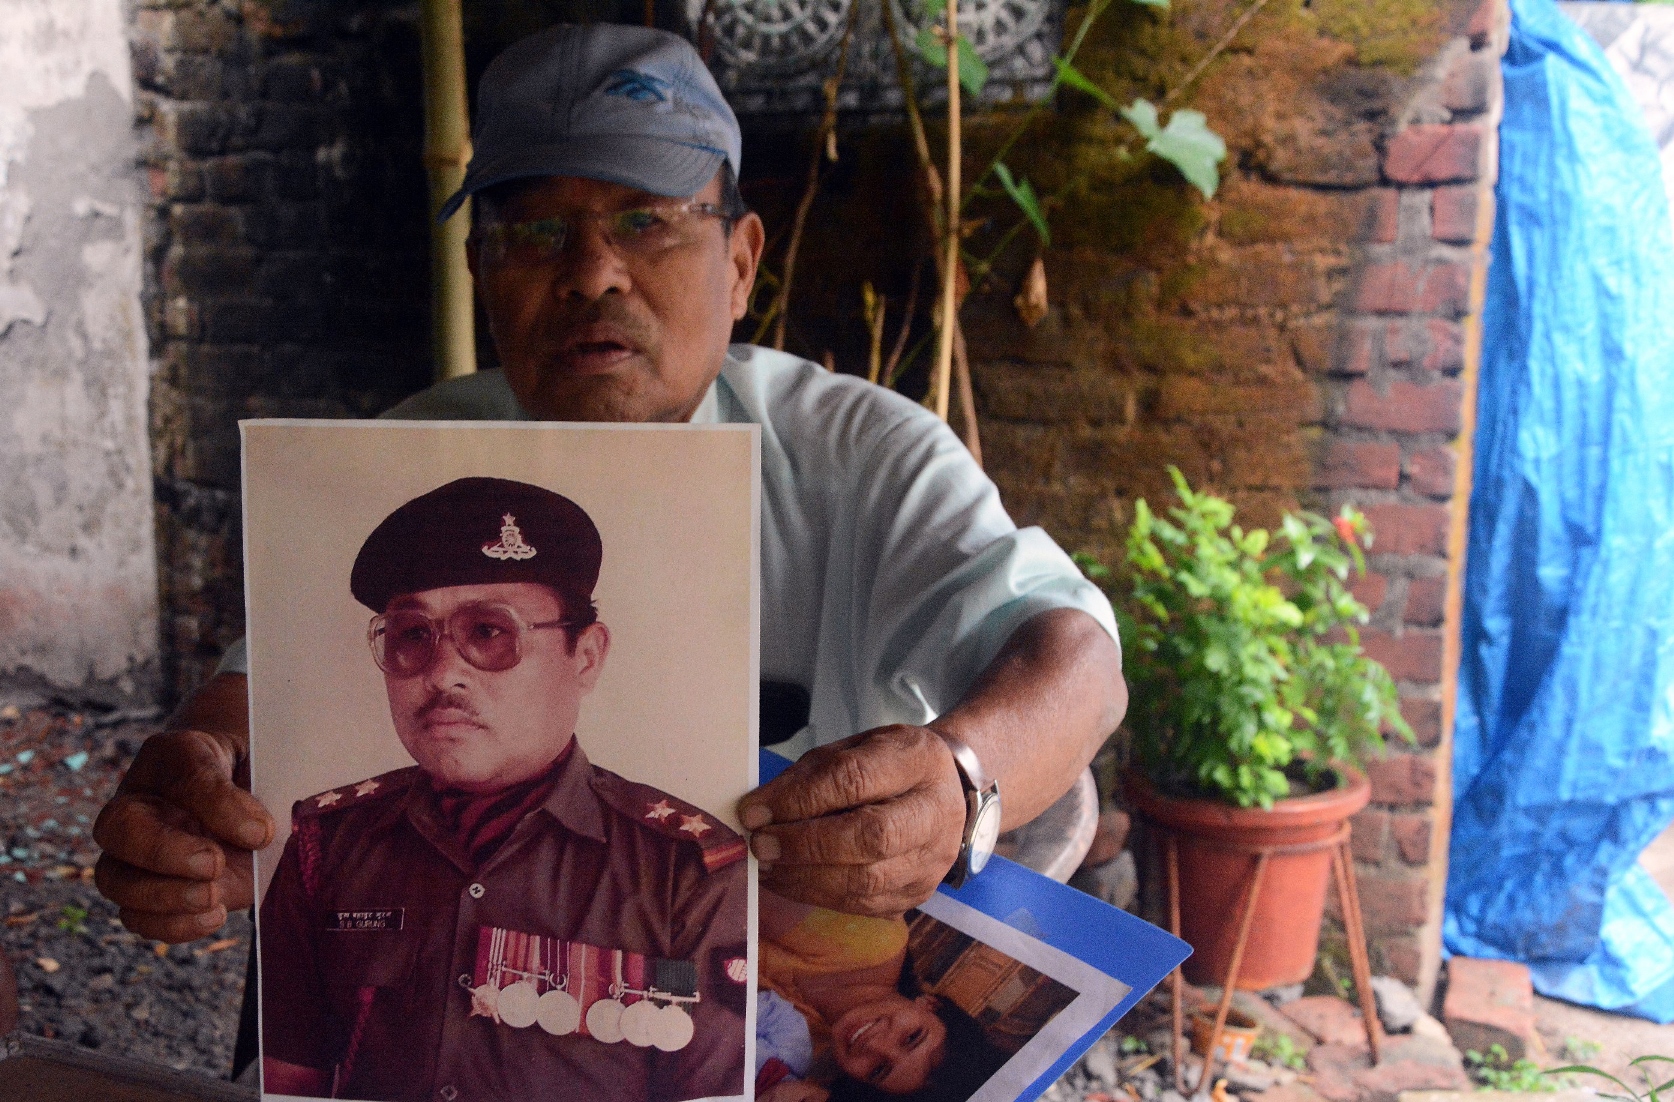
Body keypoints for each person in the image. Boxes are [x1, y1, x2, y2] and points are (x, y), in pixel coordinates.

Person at [93, 21, 1125, 952]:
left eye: (647, 222)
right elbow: (256, 703)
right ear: (478, 271)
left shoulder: (858, 453)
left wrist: (959, 781)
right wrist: (193, 796)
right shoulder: (401, 463)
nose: (591, 273)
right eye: (535, 233)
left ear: (740, 262)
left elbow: (1074, 658)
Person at [256, 476, 748, 1100]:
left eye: (488, 633)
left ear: (586, 656)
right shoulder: (324, 844)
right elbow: (288, 1082)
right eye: (412, 635)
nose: (442, 672)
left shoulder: (689, 871)